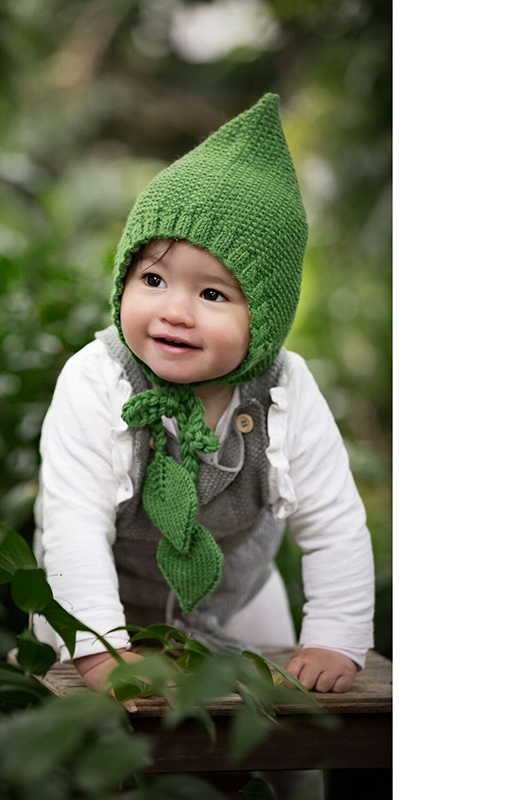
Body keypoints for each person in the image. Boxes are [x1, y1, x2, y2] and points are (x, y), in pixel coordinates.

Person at [32, 94, 375, 715]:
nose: (174, 311)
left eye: (213, 293)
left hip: (236, 596)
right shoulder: (96, 379)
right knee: (97, 739)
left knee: (284, 741)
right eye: (153, 280)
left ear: (266, 318)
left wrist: (336, 640)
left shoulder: (284, 389)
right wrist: (103, 649)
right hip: (99, 602)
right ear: (125, 279)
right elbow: (74, 526)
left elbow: (334, 524)